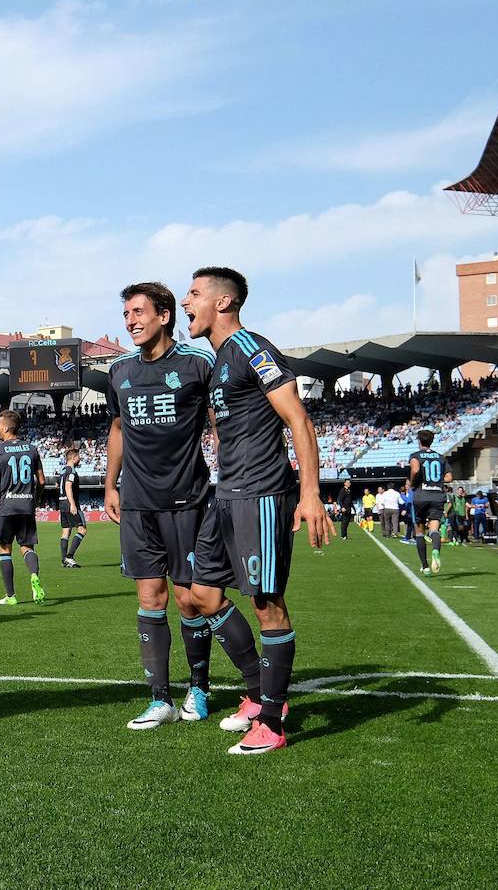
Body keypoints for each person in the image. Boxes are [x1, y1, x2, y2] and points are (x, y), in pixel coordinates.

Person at [180, 266, 332, 755]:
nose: (186, 302)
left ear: (222, 303)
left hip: (262, 495)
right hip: (227, 495)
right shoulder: (219, 358)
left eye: (194, 293)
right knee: (201, 592)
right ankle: (257, 691)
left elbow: (298, 420)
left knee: (267, 605)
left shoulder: (252, 348)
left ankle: (272, 721)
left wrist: (309, 494)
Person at [104, 281, 216, 729]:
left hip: (189, 500)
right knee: (151, 597)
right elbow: (117, 428)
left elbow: (218, 421)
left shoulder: (197, 363)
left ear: (164, 315)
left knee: (191, 601)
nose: (131, 321)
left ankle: (199, 689)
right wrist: (111, 485)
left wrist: (230, 476)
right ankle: (159, 699)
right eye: (126, 314)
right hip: (137, 503)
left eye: (138, 312)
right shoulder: (118, 370)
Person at [0, 410, 45, 605]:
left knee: (5, 550)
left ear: (5, 427)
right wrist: (36, 499)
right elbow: (42, 481)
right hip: (27, 505)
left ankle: (11, 596)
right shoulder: (32, 449)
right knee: (27, 547)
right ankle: (34, 576)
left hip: (6, 507)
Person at [408, 429, 452, 575]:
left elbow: (415, 470)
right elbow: (449, 478)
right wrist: (437, 480)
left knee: (419, 531)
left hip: (421, 495)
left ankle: (425, 566)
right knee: (434, 528)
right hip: (437, 496)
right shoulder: (441, 457)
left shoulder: (415, 456)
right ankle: (435, 550)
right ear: (432, 441)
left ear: (419, 441)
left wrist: (413, 482)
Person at [58, 447, 88, 568]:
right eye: (79, 457)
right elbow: (68, 487)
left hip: (62, 503)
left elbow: (59, 486)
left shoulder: (62, 470)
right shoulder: (71, 471)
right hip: (69, 503)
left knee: (66, 531)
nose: (80, 459)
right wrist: (73, 504)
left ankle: (63, 559)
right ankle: (69, 557)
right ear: (74, 458)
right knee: (82, 530)